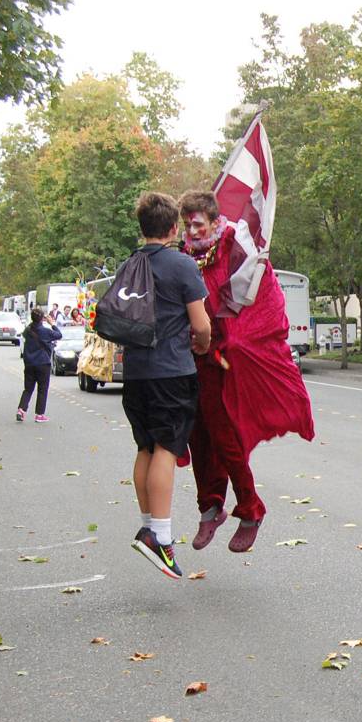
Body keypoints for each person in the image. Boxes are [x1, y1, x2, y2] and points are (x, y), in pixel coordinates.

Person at [178, 190, 314, 554]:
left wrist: (231, 338)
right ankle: (210, 508)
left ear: (211, 218)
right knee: (197, 436)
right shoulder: (182, 256)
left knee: (226, 441)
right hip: (193, 363)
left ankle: (250, 509)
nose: (191, 231)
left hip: (226, 361)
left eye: (197, 223)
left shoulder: (236, 247)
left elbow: (263, 298)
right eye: (186, 224)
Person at [122, 192, 211, 580]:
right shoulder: (182, 265)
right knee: (167, 448)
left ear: (143, 228)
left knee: (145, 445)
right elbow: (202, 324)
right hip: (171, 373)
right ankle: (160, 535)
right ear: (174, 228)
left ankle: (147, 525)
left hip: (135, 374)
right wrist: (202, 345)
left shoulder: (130, 264)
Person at [17, 307, 61, 423]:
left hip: (29, 363)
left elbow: (29, 331)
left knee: (28, 389)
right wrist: (52, 323)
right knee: (42, 389)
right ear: (42, 319)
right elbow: (59, 335)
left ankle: (21, 409)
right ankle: (39, 414)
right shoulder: (45, 331)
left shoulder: (27, 330)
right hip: (43, 363)